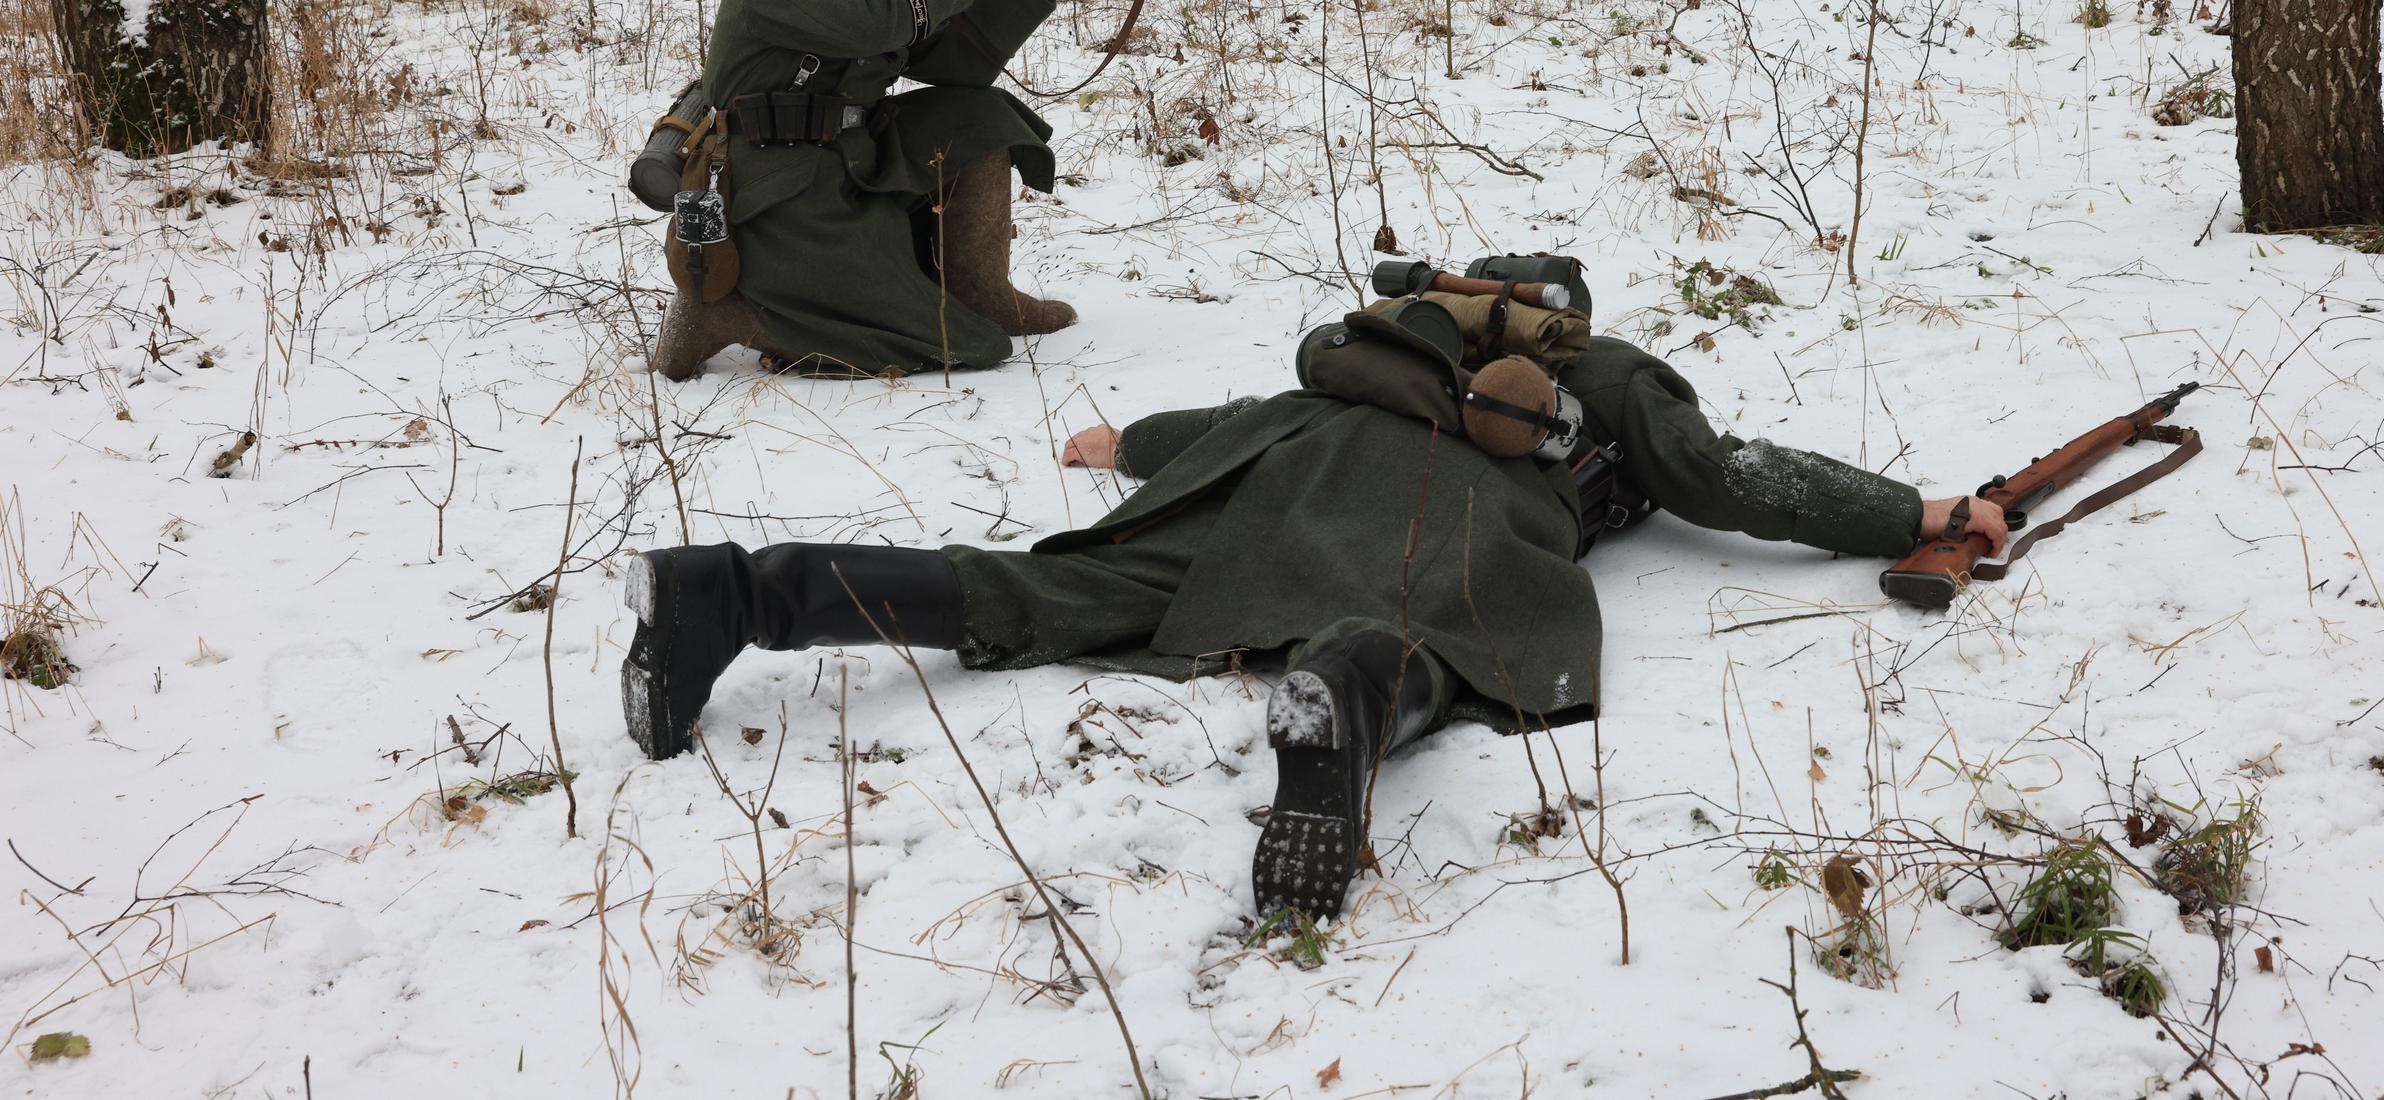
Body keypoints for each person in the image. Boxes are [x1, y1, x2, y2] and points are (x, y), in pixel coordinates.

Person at [619, 283, 2007, 919]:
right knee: (1434, 636)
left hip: (1263, 483)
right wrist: (1918, 514)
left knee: (1055, 591)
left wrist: (1131, 443)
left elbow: (1248, 410)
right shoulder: (1616, 373)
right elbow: (1727, 475)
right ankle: (1341, 702)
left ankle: (731, 593)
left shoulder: (1383, 349)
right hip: (1440, 512)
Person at [652, 0, 1082, 380]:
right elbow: (871, 17)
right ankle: (728, 313)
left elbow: (950, 64)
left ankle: (982, 292)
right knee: (969, 347)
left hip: (855, 151)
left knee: (979, 118)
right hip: (782, 187)